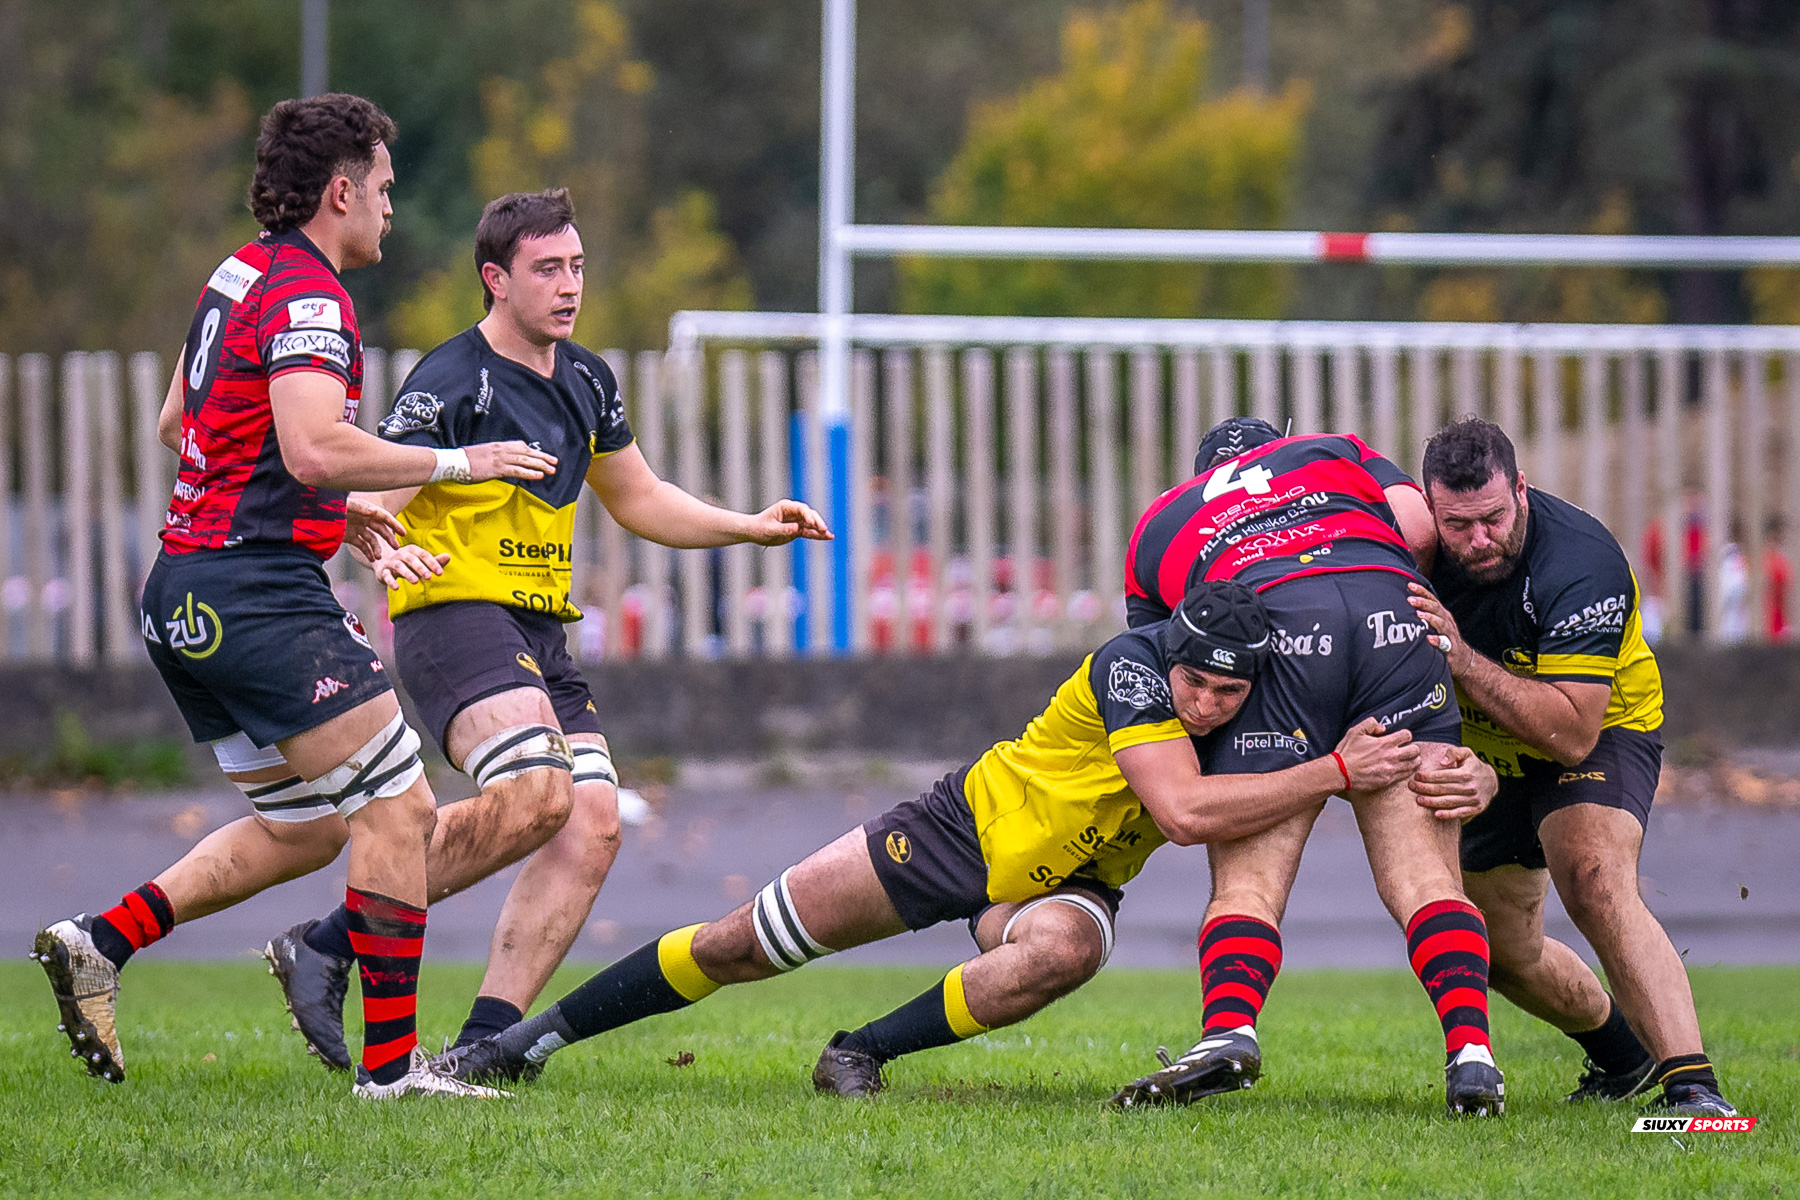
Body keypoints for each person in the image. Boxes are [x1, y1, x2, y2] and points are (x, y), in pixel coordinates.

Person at [433, 582, 1470, 1101]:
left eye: (1228, 692)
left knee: (1066, 950)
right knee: (736, 947)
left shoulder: (1249, 699)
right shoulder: (1134, 665)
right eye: (1199, 682)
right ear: (1175, 654)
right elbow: (1191, 816)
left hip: (1070, 882)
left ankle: (860, 1054)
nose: (1207, 704)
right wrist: (1339, 772)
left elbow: (1345, 757)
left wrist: (1447, 766)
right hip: (957, 834)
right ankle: (524, 1043)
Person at [30, 94, 552, 1098]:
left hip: (185, 593)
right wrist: (457, 459)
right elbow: (308, 443)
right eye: (386, 190)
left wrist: (333, 505)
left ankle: (101, 940)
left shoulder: (238, 273)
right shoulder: (314, 298)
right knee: (399, 812)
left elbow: (183, 420)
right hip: (259, 597)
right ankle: (393, 1077)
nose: (393, 211)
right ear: (341, 191)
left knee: (313, 824)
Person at [263, 188, 831, 1071]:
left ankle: (484, 1044)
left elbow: (639, 499)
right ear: (495, 279)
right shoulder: (451, 381)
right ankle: (338, 939)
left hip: (539, 634)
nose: (569, 286)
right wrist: (372, 542)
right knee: (538, 790)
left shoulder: (588, 381)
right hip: (454, 617)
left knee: (592, 820)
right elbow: (371, 495)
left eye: (576, 266)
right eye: (546, 270)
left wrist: (748, 525)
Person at [1108, 417, 1506, 1118]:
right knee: (1424, 878)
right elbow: (1416, 527)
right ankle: (1472, 1054)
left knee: (1251, 883)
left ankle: (1229, 1028)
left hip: (1277, 621)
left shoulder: (1162, 518)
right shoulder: (1329, 450)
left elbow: (1166, 651)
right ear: (1276, 444)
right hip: (1394, 607)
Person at [1409, 417, 1736, 1116]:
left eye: (1493, 518)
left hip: (1596, 726)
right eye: (1457, 524)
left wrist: (1461, 658)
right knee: (1494, 949)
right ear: (1431, 509)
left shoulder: (1581, 560)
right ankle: (1624, 1059)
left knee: (1591, 876)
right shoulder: (1413, 552)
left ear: (1521, 490)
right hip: (1489, 748)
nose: (1477, 540)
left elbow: (1570, 733)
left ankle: (1695, 1090)